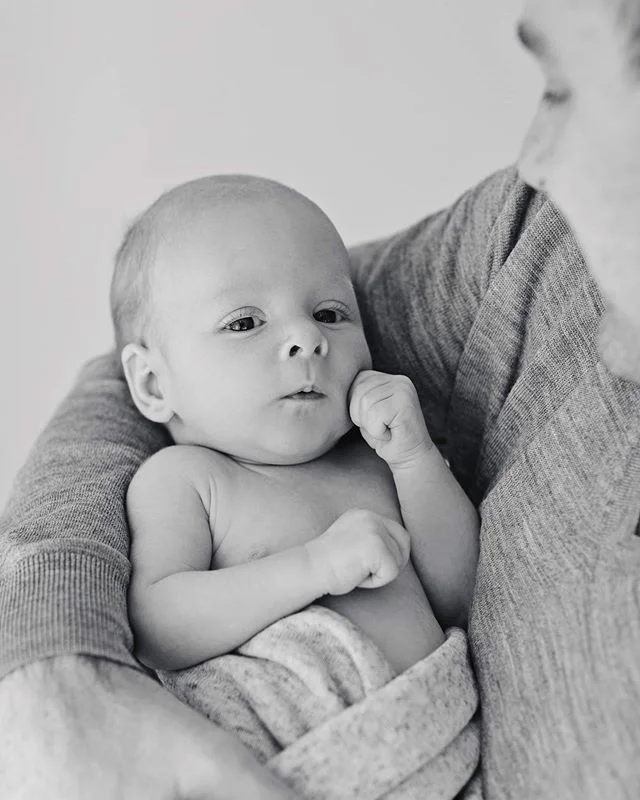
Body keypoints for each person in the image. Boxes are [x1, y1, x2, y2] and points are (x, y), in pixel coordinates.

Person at [1, 0, 640, 797]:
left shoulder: (369, 460)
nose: (306, 339)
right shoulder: (188, 480)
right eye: (244, 321)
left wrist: (415, 462)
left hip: (435, 747)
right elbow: (162, 626)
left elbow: (456, 587)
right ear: (154, 384)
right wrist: (311, 567)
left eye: (331, 312)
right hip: (285, 754)